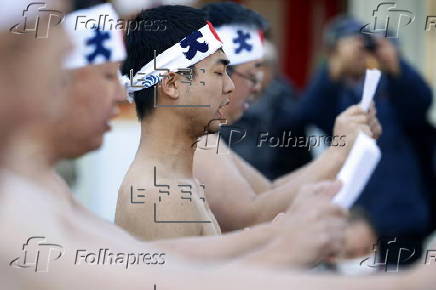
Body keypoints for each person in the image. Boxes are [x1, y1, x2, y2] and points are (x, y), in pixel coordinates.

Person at [1, 2, 436, 290]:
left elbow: (159, 262)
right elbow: (181, 275)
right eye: (225, 72)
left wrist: (283, 231)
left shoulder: (39, 190)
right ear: (172, 84)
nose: (238, 87)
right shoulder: (156, 190)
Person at [192, 2, 382, 233]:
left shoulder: (204, 137)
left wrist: (345, 151)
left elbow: (269, 192)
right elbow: (251, 216)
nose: (257, 87)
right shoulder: (194, 141)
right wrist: (339, 152)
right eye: (251, 76)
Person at [297, 16, 434, 266]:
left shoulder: (394, 85)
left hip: (401, 214)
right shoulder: (334, 87)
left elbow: (422, 103)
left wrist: (395, 64)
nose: (362, 53)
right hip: (352, 216)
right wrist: (334, 67)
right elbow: (306, 113)